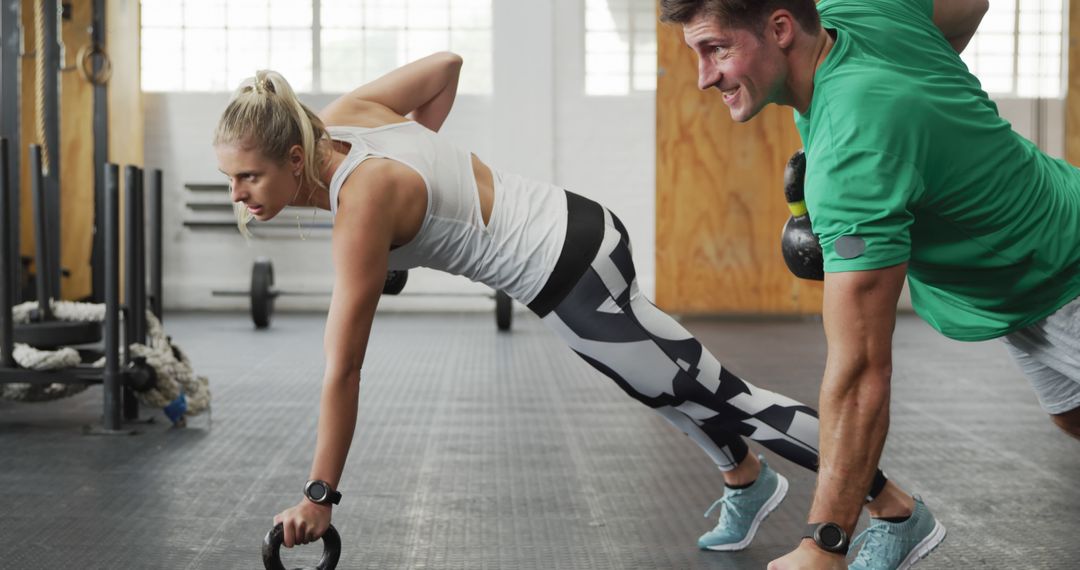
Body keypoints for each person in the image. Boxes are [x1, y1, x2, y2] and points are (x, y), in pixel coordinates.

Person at [212, 51, 916, 559]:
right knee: (660, 384)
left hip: (568, 269)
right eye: (230, 180)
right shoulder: (347, 118)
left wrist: (319, 495)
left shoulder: (362, 203)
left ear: (295, 162)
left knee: (725, 395)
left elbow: (344, 369)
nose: (238, 195)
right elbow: (447, 66)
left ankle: (891, 506)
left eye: (249, 177)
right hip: (575, 233)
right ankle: (746, 480)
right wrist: (431, 161)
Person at [660, 0, 1080, 569]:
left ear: (781, 29)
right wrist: (918, 106)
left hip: (1062, 274)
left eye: (718, 49)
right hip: (1023, 274)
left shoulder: (855, 150)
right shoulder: (853, 7)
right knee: (1072, 413)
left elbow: (859, 373)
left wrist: (824, 543)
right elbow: (972, 4)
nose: (705, 76)